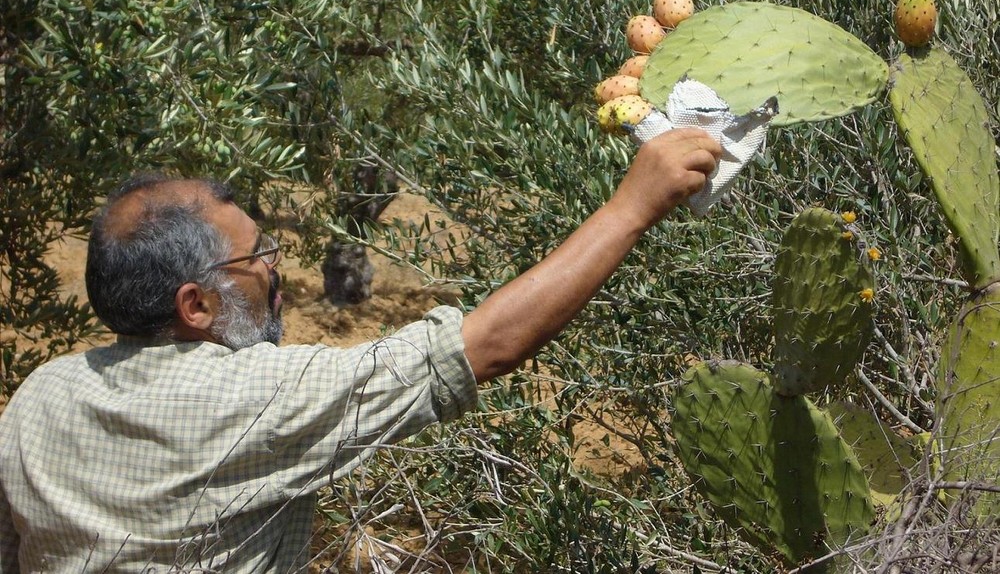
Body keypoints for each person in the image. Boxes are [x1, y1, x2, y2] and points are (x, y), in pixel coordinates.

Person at [0, 129, 721, 573]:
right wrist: (633, 206)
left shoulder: (40, 396)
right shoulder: (253, 398)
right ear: (197, 305)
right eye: (260, 257)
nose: (278, 269)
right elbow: (485, 347)